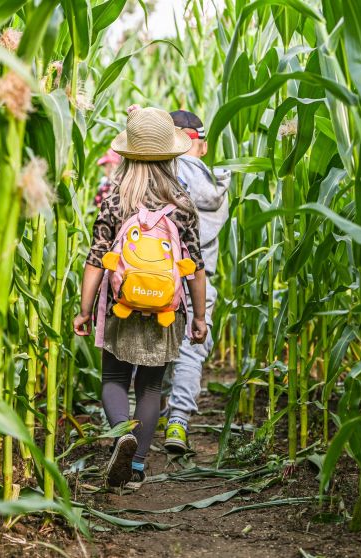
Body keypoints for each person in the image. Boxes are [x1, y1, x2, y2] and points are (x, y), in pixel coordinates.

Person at [73, 106, 208, 490]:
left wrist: (85, 311)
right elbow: (194, 265)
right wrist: (198, 317)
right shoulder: (182, 203)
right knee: (150, 386)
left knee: (114, 378)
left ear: (128, 153)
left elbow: (97, 257)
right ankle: (135, 467)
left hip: (120, 307)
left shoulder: (117, 197)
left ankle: (121, 437)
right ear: (171, 154)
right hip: (166, 311)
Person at [161, 109, 230, 453]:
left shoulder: (159, 176)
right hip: (200, 281)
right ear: (199, 145)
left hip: (159, 277)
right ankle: (177, 423)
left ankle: (148, 418)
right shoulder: (217, 188)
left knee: (156, 349)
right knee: (190, 350)